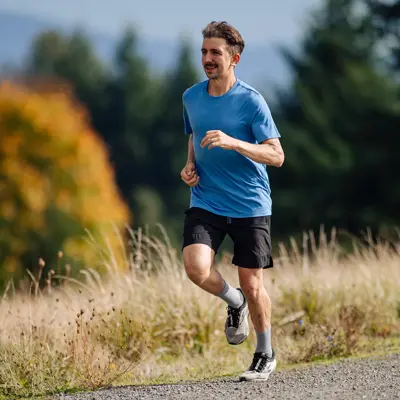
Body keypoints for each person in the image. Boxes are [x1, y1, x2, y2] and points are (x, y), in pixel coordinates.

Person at [180, 20, 284, 382]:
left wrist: (234, 142)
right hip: (206, 199)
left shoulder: (251, 101)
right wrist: (190, 165)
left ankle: (265, 352)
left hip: (250, 204)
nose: (207, 59)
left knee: (253, 284)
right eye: (204, 52)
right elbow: (193, 133)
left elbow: (276, 155)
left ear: (234, 58)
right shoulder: (190, 97)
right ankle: (233, 302)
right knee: (195, 267)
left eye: (215, 53)